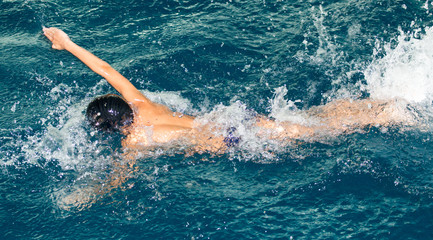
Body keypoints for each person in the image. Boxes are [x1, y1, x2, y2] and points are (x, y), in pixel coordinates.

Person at [43, 27, 413, 154]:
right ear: (122, 105)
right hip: (231, 119)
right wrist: (68, 43)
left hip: (231, 140)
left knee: (314, 134)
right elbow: (105, 68)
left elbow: (119, 176)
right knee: (309, 122)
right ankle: (388, 102)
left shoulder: (134, 142)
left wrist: (88, 194)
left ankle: (397, 115)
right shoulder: (141, 104)